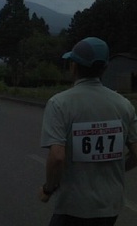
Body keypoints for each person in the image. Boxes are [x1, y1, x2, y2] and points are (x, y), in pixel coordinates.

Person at [39, 37, 137, 226]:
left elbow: (57, 157)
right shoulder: (123, 105)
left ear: (74, 67)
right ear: (105, 68)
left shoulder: (59, 103)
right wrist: (119, 166)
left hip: (73, 205)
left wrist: (48, 189)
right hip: (110, 205)